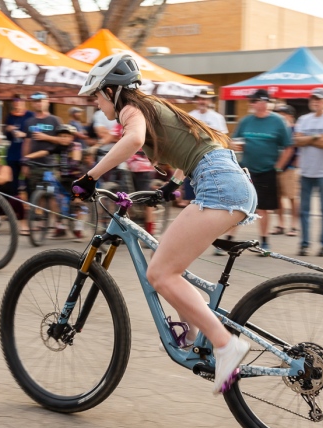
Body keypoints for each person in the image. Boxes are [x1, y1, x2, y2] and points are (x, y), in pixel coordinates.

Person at [71, 54, 256, 394]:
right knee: (169, 264)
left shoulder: (131, 110)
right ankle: (187, 330)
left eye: (97, 95)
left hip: (218, 184)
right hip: (226, 179)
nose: (96, 103)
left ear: (113, 91)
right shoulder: (153, 106)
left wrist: (90, 177)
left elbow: (133, 141)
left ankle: (225, 344)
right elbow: (194, 147)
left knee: (159, 273)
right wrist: (170, 186)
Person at [232, 88, 293, 254]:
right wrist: (236, 146)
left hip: (267, 170)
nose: (251, 104)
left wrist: (278, 166)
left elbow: (288, 146)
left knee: (264, 208)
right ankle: (230, 238)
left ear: (264, 102)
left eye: (254, 101)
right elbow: (235, 141)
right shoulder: (246, 121)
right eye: (251, 101)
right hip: (246, 169)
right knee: (239, 205)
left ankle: (265, 241)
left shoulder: (278, 121)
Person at [293, 88, 323, 257]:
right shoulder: (303, 119)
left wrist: (308, 139)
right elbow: (297, 141)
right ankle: (305, 243)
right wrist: (315, 138)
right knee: (304, 210)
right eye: (313, 99)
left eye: (319, 99)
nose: (316, 102)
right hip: (306, 171)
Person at [187, 89, 228, 211]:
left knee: (210, 193)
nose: (202, 101)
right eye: (200, 98)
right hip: (193, 159)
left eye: (204, 99)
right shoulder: (189, 116)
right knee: (193, 195)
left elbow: (223, 139)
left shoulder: (217, 117)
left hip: (212, 159)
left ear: (210, 101)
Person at [21, 92, 64, 195]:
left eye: (41, 101)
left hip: (50, 165)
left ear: (47, 102)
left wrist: (46, 137)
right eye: (36, 101)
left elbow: (63, 141)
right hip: (34, 165)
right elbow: (26, 143)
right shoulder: (29, 122)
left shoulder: (55, 120)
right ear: (32, 104)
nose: (38, 104)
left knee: (52, 194)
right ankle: (35, 211)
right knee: (34, 194)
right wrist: (25, 163)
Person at [4, 95, 34, 234]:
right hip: (13, 155)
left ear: (24, 103)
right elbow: (8, 136)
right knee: (13, 186)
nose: (17, 105)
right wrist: (9, 130)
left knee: (29, 186)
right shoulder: (10, 116)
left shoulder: (30, 116)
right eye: (15, 102)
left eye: (20, 102)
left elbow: (34, 134)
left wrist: (24, 134)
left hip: (26, 155)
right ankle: (16, 213)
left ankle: (31, 217)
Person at [273, 104, 299, 238]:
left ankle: (294, 225)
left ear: (290, 115)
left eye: (282, 113)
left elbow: (297, 150)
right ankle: (281, 224)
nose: (280, 116)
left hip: (289, 169)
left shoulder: (294, 130)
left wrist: (293, 166)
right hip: (276, 167)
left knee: (292, 197)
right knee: (278, 198)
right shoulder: (278, 129)